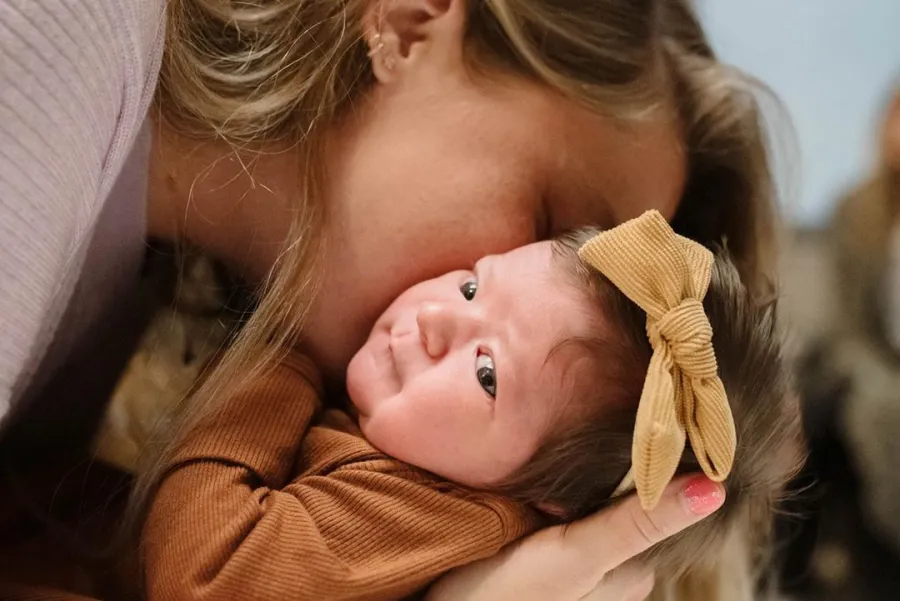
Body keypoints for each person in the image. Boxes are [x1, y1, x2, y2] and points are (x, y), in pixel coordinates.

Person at [0, 0, 782, 598]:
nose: (534, 287)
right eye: (551, 231)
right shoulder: (52, 53)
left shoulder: (133, 275)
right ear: (411, 22)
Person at [140, 212, 802, 601]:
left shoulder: (438, 513)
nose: (432, 318)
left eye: (488, 373)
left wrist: (279, 357)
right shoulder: (437, 461)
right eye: (470, 286)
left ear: (552, 503)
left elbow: (207, 574)